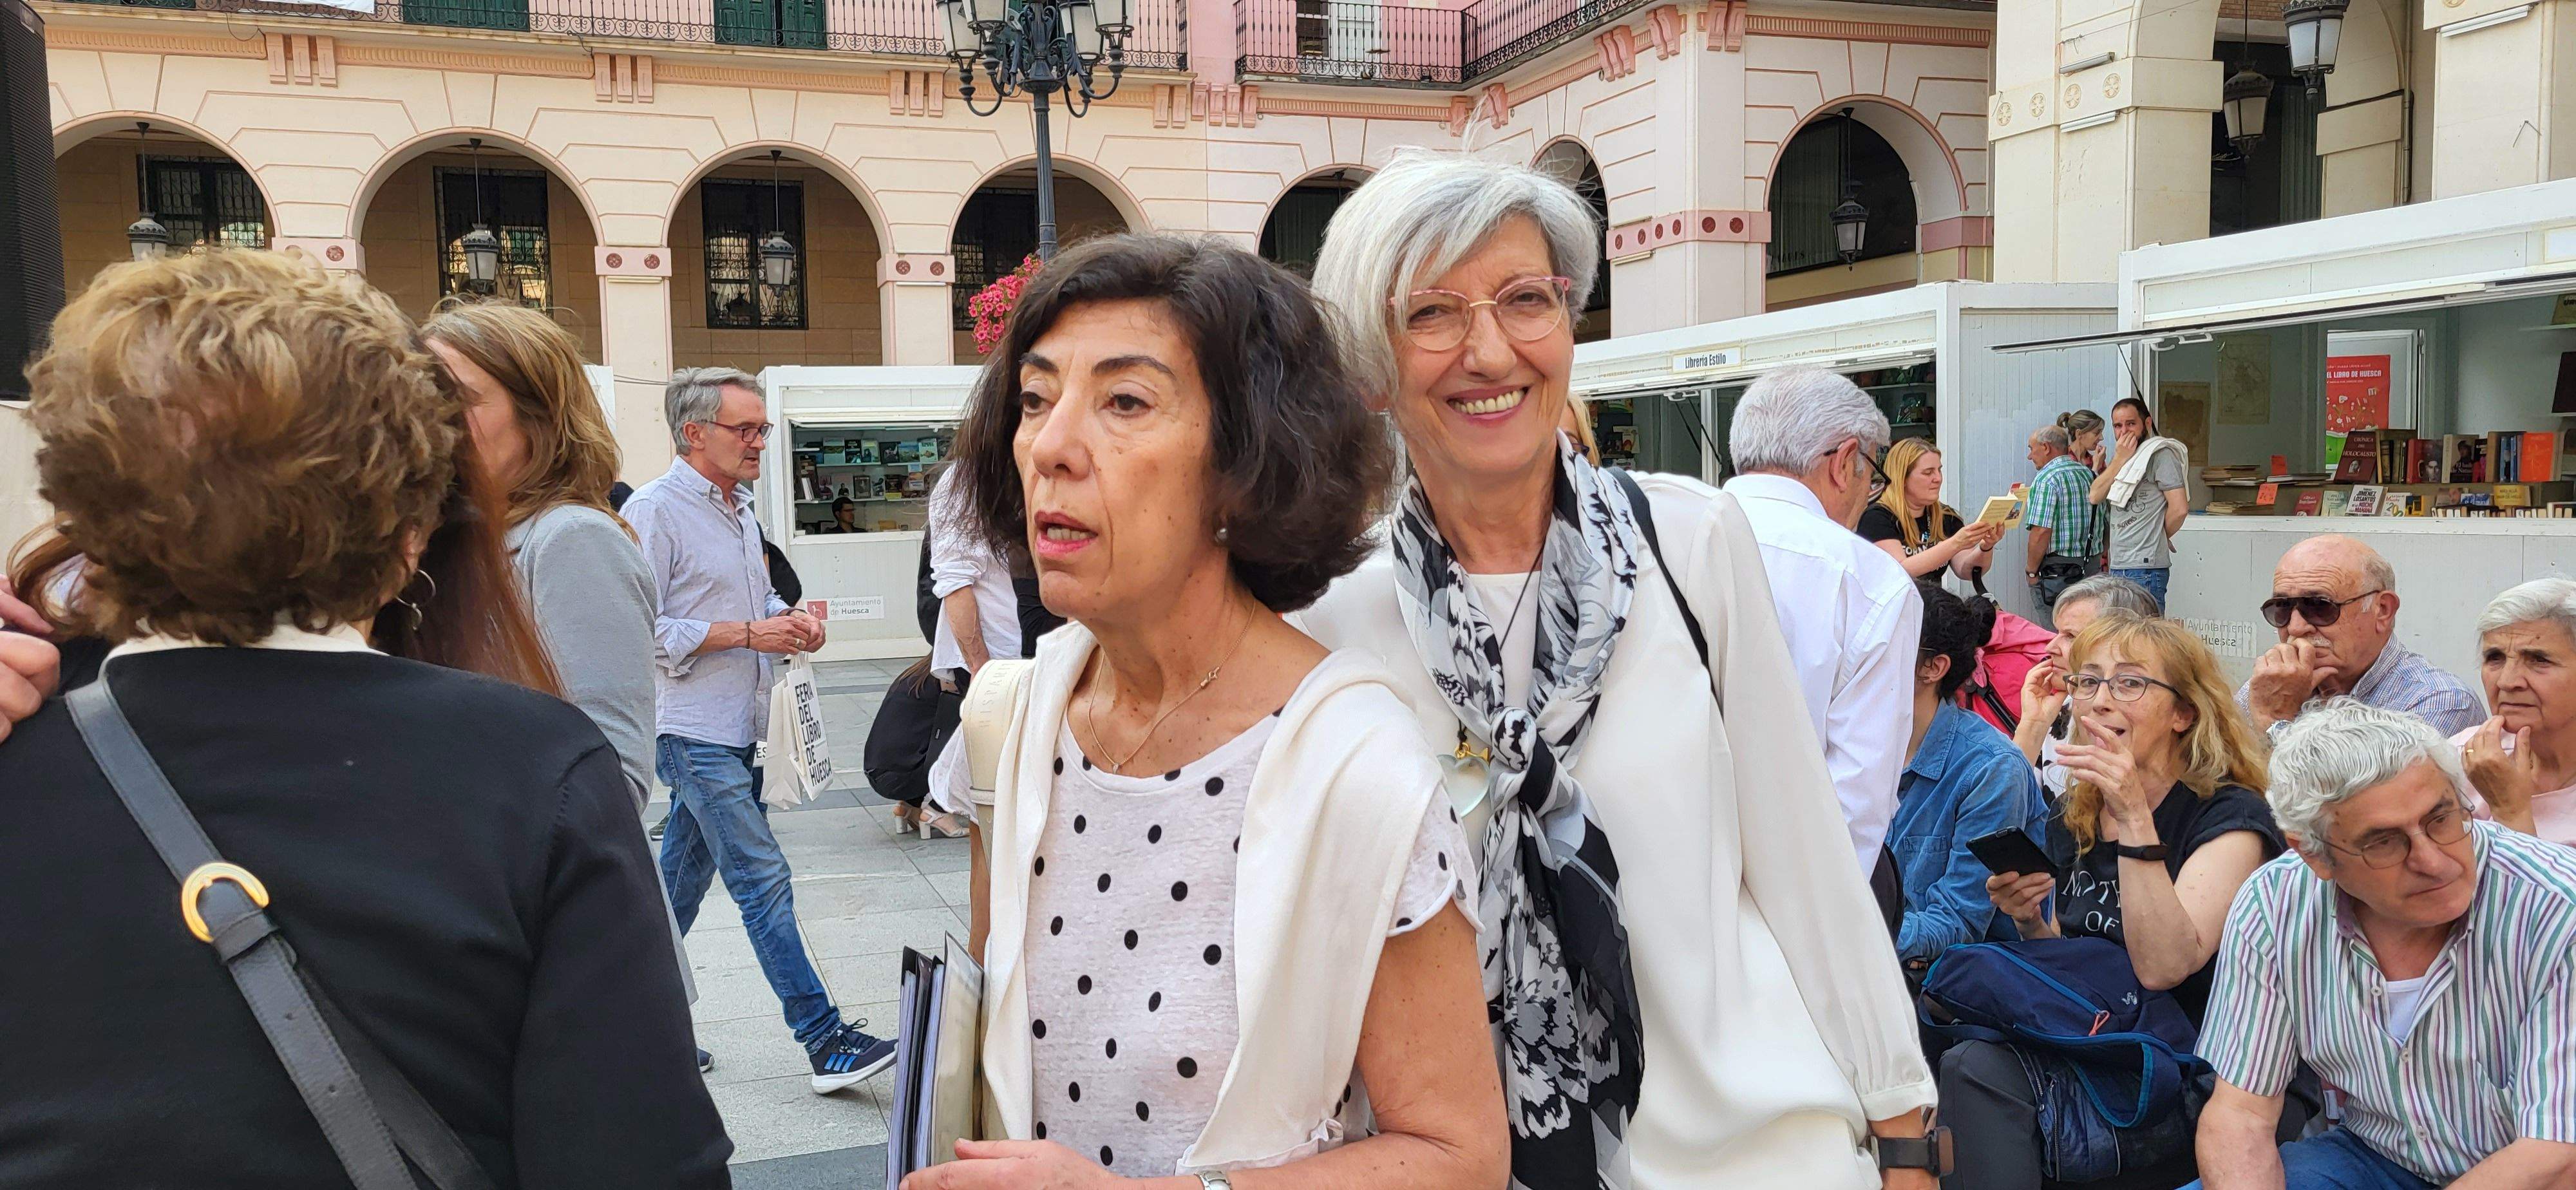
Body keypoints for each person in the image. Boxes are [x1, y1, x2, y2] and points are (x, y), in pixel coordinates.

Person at [0, 249, 728, 1185]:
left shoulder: (22, 750)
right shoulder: (530, 768)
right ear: (407, 534)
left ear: (79, 511)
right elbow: (640, 1161)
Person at [1307, 151, 1940, 1190]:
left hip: (1752, 1148)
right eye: (1432, 312)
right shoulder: (1336, 612)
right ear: (1372, 361)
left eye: (1525, 300)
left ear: (1568, 324)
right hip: (1473, 1161)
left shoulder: (1691, 542)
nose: (1490, 348)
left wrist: (1904, 1127)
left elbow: (1803, 853)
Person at [916, 234, 1507, 1188]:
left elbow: (1457, 1156)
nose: (1053, 446)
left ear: (1245, 464)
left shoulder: (1352, 768)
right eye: (1034, 399)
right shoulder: (1013, 722)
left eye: (1125, 402)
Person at [627, 365, 896, 1093]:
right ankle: (824, 1038)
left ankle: (621, 1029)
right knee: (762, 877)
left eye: (762, 429)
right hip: (689, 728)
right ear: (694, 433)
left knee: (673, 892)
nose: (758, 442)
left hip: (741, 723)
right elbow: (640, 628)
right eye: (744, 429)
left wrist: (793, 621)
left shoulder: (738, 507)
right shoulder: (655, 511)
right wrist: (750, 632)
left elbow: (761, 595)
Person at [1948, 611, 2284, 1190]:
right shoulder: (2077, 809)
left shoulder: (2230, 818)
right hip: (2098, 1036)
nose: (2100, 701)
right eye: (2088, 681)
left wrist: (2134, 817)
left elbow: (2162, 968)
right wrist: (2030, 920)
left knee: (1977, 1071)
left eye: (2130, 683)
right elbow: (2081, 966)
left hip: (2181, 1062)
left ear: (2183, 713)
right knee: (1951, 1043)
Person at [2190, 701, 2576, 1189]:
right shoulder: (2275, 902)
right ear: (2314, 855)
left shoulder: (2558, 906)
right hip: (2378, 1158)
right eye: (2385, 843)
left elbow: (2558, 1156)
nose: (2435, 862)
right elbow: (2240, 1114)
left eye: (2441, 819)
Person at [422, 299, 656, 805]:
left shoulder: (571, 539)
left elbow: (611, 778)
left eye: (458, 397)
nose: (436, 420)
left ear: (538, 416)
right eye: (423, 399)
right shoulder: (458, 540)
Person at [1723, 366, 1922, 874]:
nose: (1867, 493)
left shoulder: (1639, 540)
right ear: (1845, 462)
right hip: (1784, 893)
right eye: (1872, 477)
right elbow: (1857, 802)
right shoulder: (1870, 583)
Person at [1893, 581, 2048, 976]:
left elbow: (1958, 923)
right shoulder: (1854, 743)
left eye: (1883, 646)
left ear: (1933, 668)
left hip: (1944, 987)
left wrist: (1848, 933)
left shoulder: (1990, 769)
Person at [2238, 534, 2482, 737]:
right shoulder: (2274, 687)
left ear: (2383, 611)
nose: (2296, 628)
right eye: (2281, 608)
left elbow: (2348, 796)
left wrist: (2275, 722)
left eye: (2319, 606)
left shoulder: (2437, 702)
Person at [915, 464, 1018, 838]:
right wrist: (981, 668)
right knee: (990, 819)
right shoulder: (967, 479)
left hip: (1043, 654)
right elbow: (954, 582)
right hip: (998, 663)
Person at [2014, 573, 2161, 801]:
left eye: (2071, 636)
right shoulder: (2063, 711)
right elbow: (2003, 813)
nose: (2051, 647)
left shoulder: (2144, 722)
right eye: (2057, 633)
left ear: (2124, 644)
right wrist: (2033, 726)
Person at [2455, 577, 2576, 845]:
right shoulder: (2467, 754)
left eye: (2538, 660)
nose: (2507, 682)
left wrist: (2512, 813)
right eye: (2494, 658)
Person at [2085, 397, 2188, 607]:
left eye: (2131, 424)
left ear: (2147, 424)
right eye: (2118, 426)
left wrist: (2157, 533)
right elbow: (2095, 495)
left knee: (2145, 636)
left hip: (2145, 567)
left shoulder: (2160, 454)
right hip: (2119, 563)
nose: (2124, 431)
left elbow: (2179, 509)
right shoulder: (2124, 458)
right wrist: (2120, 459)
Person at [1860, 437, 2000, 581]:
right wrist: (1956, 543)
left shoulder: (1945, 516)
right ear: (1902, 479)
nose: (1938, 478)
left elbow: (1967, 570)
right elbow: (1900, 570)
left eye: (1939, 470)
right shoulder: (1877, 517)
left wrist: (1986, 547)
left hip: (1933, 602)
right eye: (1928, 473)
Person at [2023, 422, 2105, 608]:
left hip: (2057, 573)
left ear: (2045, 447)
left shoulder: (2047, 479)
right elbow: (2105, 525)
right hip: (2091, 567)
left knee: (2058, 630)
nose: (2029, 456)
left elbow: (2041, 532)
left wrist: (2031, 572)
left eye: (2031, 449)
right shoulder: (2089, 475)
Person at [2060, 408, 2108, 474]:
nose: (2101, 438)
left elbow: (2107, 483)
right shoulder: (2063, 461)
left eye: (2101, 433)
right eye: (2096, 433)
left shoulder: (2095, 460)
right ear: (2079, 434)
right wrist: (2096, 467)